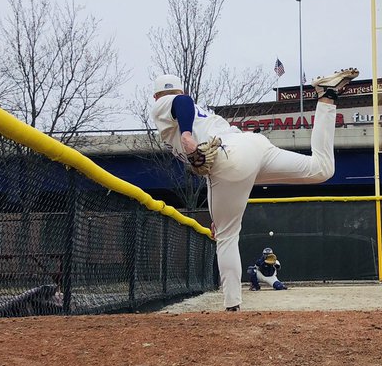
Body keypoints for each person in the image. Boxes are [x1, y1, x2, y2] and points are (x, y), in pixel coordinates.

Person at [151, 67, 358, 311]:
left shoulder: (164, 104)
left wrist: (186, 135)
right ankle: (328, 96)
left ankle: (232, 306)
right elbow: (210, 172)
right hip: (252, 145)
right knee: (321, 169)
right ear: (181, 86)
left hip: (231, 157)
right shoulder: (201, 116)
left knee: (227, 236)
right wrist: (217, 211)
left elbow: (181, 101)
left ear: (156, 97)